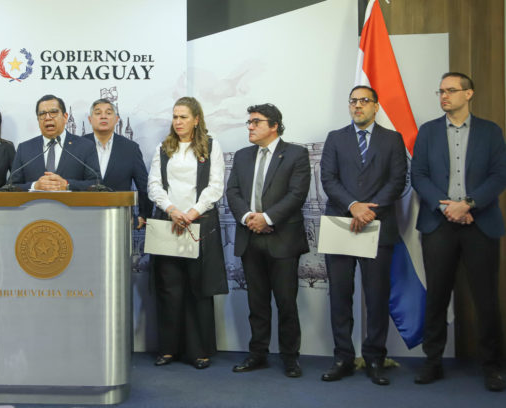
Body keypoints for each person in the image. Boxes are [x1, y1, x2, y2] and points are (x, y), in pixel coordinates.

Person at [411, 72, 506, 392]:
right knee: (436, 295)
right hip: (439, 223)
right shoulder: (428, 132)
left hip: (480, 223)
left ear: (469, 94)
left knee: (486, 297)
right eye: (440, 91)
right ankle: (432, 361)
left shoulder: (491, 132)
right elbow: (419, 175)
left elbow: (499, 175)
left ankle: (492, 366)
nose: (444, 96)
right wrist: (446, 207)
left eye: (451, 91)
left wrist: (468, 204)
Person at [320, 85, 406, 385]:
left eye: (364, 101)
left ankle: (374, 359)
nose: (358, 106)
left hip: (377, 226)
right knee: (340, 297)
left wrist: (370, 210)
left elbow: (397, 180)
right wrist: (353, 205)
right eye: (353, 101)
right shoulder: (335, 138)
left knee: (376, 297)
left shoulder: (392, 140)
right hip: (340, 225)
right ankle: (343, 357)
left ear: (376, 106)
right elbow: (328, 179)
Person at [225, 103, 310, 378]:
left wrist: (268, 218)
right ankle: (257, 354)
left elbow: (297, 194)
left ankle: (289, 357)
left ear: (274, 126)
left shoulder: (296, 154)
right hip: (250, 237)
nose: (249, 126)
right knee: (256, 303)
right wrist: (250, 216)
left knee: (286, 303)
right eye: (248, 122)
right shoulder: (242, 156)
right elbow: (233, 191)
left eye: (256, 122)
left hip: (283, 239)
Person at [147, 96, 227, 369]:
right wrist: (171, 210)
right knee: (170, 289)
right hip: (169, 224)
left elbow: (215, 187)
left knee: (197, 289)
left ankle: (198, 351)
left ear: (196, 119)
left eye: (183, 117)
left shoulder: (211, 146)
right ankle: (169, 350)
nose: (178, 122)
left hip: (198, 224)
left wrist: (191, 213)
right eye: (175, 117)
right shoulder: (162, 148)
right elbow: (154, 185)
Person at [83, 98, 152, 226]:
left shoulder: (130, 149)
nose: (103, 116)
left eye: (108, 113)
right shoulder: (78, 146)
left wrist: (143, 215)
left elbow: (143, 185)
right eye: (98, 113)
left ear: (116, 119)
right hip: (83, 217)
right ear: (90, 119)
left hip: (120, 219)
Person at [9, 94, 100, 191]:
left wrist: (67, 184)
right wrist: (34, 186)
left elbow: (97, 183)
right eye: (42, 114)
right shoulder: (24, 148)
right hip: (34, 205)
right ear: (38, 120)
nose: (48, 117)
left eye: (53, 112)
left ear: (65, 117)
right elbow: (11, 186)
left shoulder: (85, 146)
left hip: (72, 205)